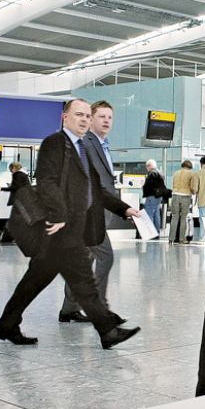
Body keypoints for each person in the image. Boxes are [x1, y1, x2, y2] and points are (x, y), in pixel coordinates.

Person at [0, 98, 141, 350]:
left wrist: (123, 208)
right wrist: (59, 215)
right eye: (78, 115)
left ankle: (7, 324)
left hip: (72, 228)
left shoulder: (81, 148)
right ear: (65, 117)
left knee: (35, 281)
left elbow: (97, 189)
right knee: (83, 281)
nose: (84, 119)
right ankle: (107, 331)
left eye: (86, 116)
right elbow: (47, 180)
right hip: (61, 229)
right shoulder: (55, 143)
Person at [59, 100, 125, 324]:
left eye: (110, 117)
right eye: (101, 117)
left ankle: (69, 309)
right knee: (105, 256)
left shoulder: (103, 145)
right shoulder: (86, 143)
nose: (106, 121)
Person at [169, 160, 197, 244]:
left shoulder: (176, 173)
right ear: (190, 167)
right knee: (183, 218)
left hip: (175, 195)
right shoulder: (191, 174)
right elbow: (193, 187)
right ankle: (181, 239)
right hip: (185, 196)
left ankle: (171, 239)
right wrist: (194, 192)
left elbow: (173, 184)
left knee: (174, 217)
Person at [141, 159, 168, 239]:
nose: (146, 169)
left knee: (149, 214)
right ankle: (157, 233)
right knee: (156, 214)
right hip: (158, 197)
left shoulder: (152, 173)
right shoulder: (160, 173)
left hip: (151, 196)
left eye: (147, 167)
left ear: (149, 166)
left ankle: (151, 234)